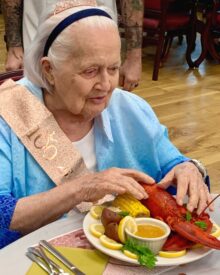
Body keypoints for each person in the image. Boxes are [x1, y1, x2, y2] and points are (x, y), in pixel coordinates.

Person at [0, 0, 211, 249]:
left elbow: (172, 164)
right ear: (49, 70)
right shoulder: (9, 114)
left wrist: (189, 169)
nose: (106, 84)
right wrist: (81, 189)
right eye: (90, 71)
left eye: (113, 68)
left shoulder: (131, 108)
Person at [2, 0, 143, 91]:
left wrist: (134, 56)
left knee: (97, 102)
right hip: (38, 32)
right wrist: (15, 48)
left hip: (101, 33)